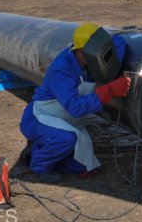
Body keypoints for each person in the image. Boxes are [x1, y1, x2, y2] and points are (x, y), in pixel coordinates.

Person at [19, 23, 131, 183]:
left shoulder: (89, 61)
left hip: (62, 118)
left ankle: (38, 148)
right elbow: (75, 107)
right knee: (67, 140)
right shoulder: (62, 69)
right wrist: (110, 91)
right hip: (40, 118)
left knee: (83, 167)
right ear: (80, 51)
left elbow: (118, 43)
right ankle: (38, 165)